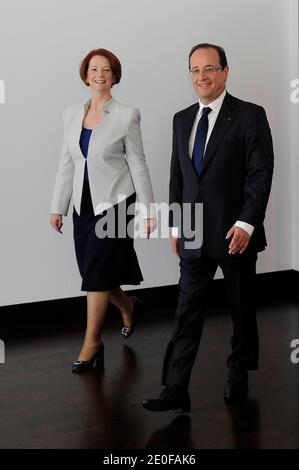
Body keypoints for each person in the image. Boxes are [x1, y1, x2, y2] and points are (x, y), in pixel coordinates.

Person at [142, 43, 274, 411]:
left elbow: (260, 174)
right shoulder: (181, 119)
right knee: (186, 310)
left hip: (235, 233)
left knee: (241, 308)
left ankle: (239, 370)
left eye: (210, 69)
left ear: (226, 72)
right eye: (195, 70)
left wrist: (247, 222)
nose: (202, 76)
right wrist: (175, 226)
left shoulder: (249, 115)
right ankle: (175, 388)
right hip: (194, 232)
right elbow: (178, 178)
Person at [50, 48, 155, 373]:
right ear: (85, 75)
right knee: (93, 272)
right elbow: (67, 163)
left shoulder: (127, 114)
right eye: (93, 69)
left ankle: (91, 343)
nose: (99, 74)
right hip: (82, 204)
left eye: (106, 69)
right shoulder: (71, 114)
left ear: (114, 75)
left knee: (96, 273)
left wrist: (149, 210)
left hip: (115, 203)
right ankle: (127, 306)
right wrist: (58, 206)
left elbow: (137, 162)